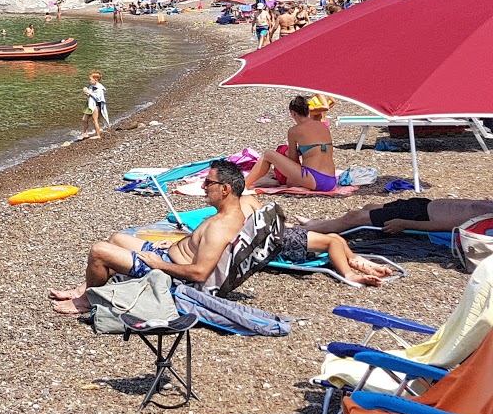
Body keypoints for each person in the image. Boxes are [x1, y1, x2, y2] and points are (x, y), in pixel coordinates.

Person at [49, 160, 248, 314]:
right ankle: (84, 289)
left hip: (171, 274)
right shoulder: (234, 213)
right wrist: (175, 243)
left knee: (99, 251)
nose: (203, 187)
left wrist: (159, 264)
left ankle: (86, 300)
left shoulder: (221, 226)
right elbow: (204, 246)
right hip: (168, 257)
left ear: (225, 189)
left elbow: (200, 273)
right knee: (118, 238)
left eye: (208, 182)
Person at [243, 94, 339, 193]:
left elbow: (293, 158)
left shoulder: (294, 130)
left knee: (268, 154)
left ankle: (245, 184)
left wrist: (285, 154)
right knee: (290, 182)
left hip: (314, 178)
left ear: (293, 113)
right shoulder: (322, 125)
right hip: (331, 180)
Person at [296, 196, 493, 236]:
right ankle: (320, 224)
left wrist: (404, 224)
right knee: (370, 206)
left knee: (354, 217)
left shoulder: (488, 217)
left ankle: (303, 231)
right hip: (424, 203)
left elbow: (446, 226)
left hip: (419, 215)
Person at [80, 71, 107, 140]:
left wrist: (90, 93)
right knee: (84, 119)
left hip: (96, 105)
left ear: (96, 80)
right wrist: (87, 93)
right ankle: (85, 133)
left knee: (95, 120)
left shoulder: (100, 88)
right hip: (90, 104)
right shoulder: (92, 86)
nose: (89, 81)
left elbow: (98, 98)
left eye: (90, 79)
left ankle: (98, 135)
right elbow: (90, 94)